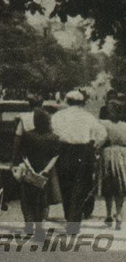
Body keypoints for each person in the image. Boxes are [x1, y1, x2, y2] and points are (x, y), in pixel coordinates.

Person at [52, 90, 108, 234]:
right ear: (82, 102)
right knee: (81, 186)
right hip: (83, 151)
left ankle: (68, 216)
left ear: (67, 101)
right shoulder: (88, 116)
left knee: (65, 185)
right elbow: (102, 133)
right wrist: (96, 146)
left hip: (64, 151)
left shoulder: (58, 116)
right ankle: (74, 221)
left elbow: (52, 133)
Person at [18, 108, 63, 237]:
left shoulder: (28, 135)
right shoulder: (54, 137)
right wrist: (46, 170)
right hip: (46, 171)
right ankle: (40, 225)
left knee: (27, 199)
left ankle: (29, 224)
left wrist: (30, 168)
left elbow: (23, 155)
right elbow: (55, 156)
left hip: (30, 170)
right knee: (45, 200)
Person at [101, 105, 126, 229]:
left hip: (108, 154)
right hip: (123, 155)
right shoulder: (124, 126)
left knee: (108, 185)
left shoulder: (105, 124)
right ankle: (119, 213)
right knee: (120, 185)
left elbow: (100, 140)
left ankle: (109, 213)